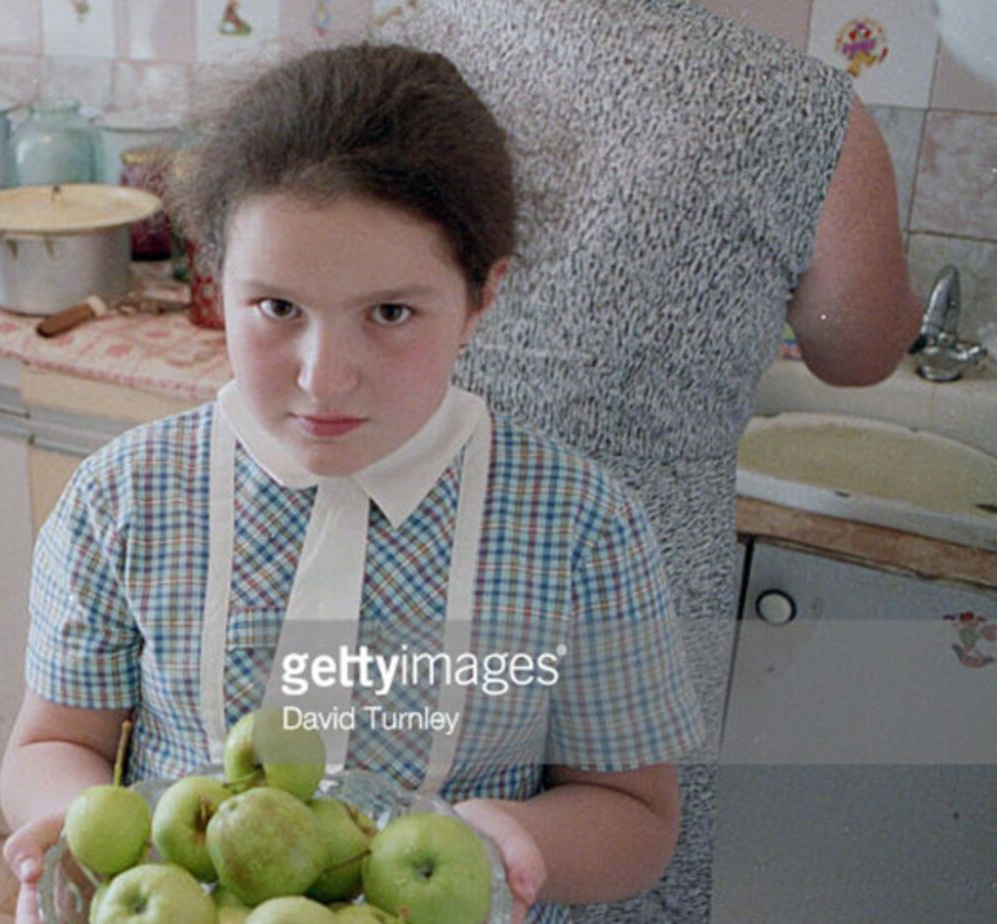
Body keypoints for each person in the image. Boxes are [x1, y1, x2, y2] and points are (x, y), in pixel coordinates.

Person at [0, 44, 707, 924]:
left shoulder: (581, 529)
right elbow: (56, 739)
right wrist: (68, 830)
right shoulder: (124, 499)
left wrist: (514, 842)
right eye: (278, 308)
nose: (323, 377)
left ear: (483, 296)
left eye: (391, 313)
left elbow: (636, 818)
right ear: (216, 278)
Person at [371, 3, 923, 919]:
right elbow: (856, 349)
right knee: (615, 871)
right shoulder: (803, 105)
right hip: (642, 577)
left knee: (396, 862)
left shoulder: (413, 42)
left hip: (410, 544)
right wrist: (893, 308)